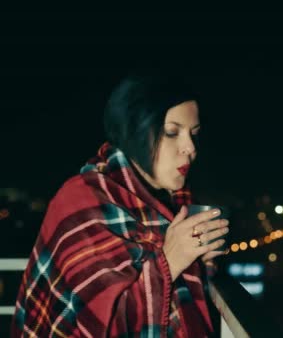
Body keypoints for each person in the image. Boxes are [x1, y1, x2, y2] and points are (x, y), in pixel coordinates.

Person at [11, 73, 228, 337]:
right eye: (171, 132)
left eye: (194, 134)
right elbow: (98, 326)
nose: (190, 147)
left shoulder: (174, 204)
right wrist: (170, 260)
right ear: (134, 132)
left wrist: (198, 261)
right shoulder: (82, 201)